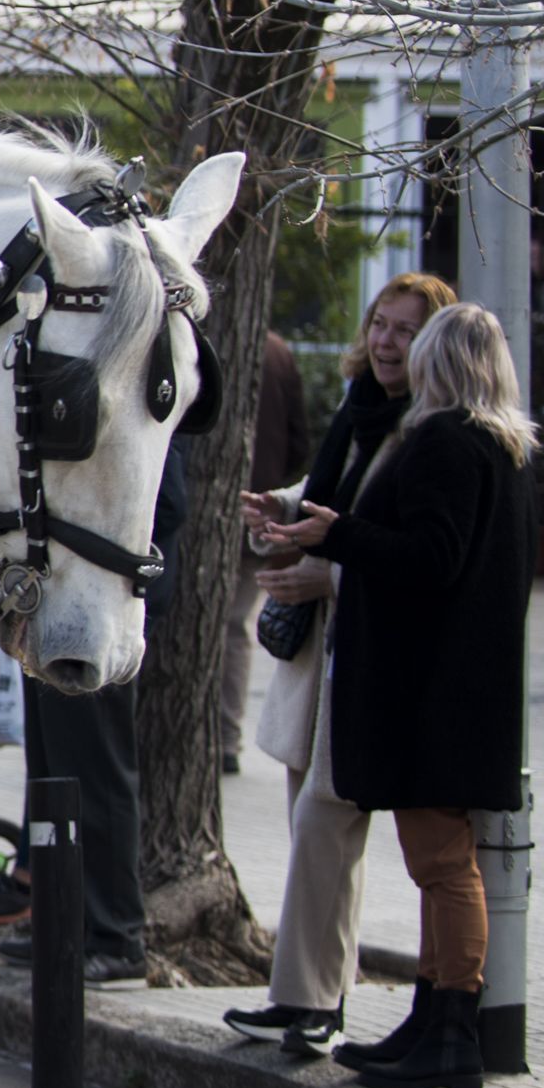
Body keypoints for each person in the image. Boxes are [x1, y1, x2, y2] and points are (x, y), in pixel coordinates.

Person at [251, 301, 536, 1088]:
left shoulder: (446, 440)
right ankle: (430, 1014)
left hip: (435, 692)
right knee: (438, 860)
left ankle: (451, 1026)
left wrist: (336, 535)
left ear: (439, 364)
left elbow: (431, 557)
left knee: (443, 864)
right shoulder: (503, 445)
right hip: (463, 689)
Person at [222, 273, 450, 1052]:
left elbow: (413, 548)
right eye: (379, 325)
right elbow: (337, 498)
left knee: (325, 818)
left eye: (405, 330)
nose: (386, 342)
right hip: (316, 645)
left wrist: (331, 569)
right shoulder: (359, 406)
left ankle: (306, 999)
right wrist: (284, 512)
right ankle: (318, 993)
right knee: (308, 819)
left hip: (366, 650)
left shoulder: (429, 428)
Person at [0, 434, 193, 988]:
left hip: (101, 615)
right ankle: (62, 921)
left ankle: (116, 936)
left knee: (97, 776)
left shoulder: (142, 423)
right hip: (60, 608)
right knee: (53, 773)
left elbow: (166, 504)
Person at [221, 327, 310, 769]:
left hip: (236, 510)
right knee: (234, 628)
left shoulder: (214, 340)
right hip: (259, 508)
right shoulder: (280, 351)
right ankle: (226, 736)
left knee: (223, 626)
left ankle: (217, 738)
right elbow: (300, 443)